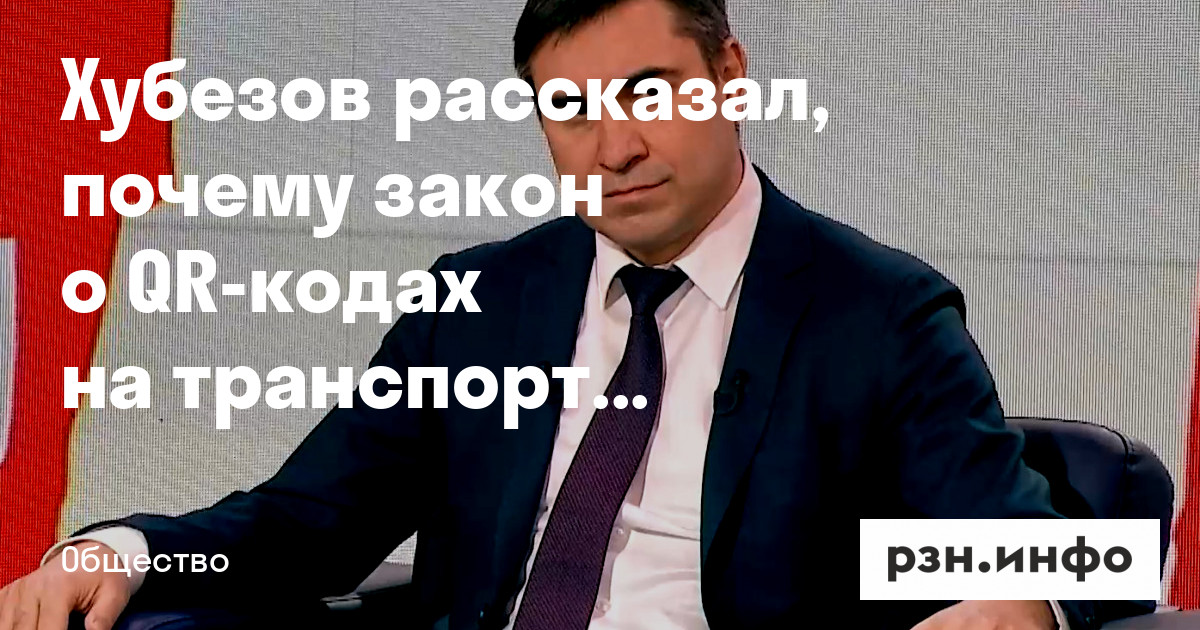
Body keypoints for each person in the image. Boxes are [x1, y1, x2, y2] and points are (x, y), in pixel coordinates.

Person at [0, 0, 1143, 628]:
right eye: (571, 110)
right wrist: (124, 550)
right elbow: (307, 527)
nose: (615, 146)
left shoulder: (874, 311)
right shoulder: (483, 303)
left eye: (649, 92)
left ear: (731, 75)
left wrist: (1019, 601)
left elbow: (1064, 554)